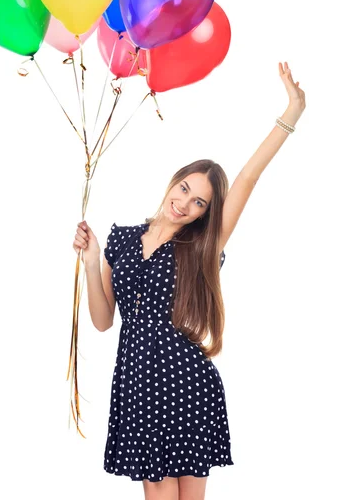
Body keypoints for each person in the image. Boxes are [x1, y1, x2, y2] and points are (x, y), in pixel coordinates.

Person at [72, 62, 306, 500]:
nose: (185, 203)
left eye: (199, 202)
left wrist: (291, 113)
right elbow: (104, 322)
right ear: (172, 182)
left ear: (204, 213)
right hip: (139, 380)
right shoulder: (121, 239)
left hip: (184, 382)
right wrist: (90, 260)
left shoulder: (199, 249)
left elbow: (248, 178)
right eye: (184, 189)